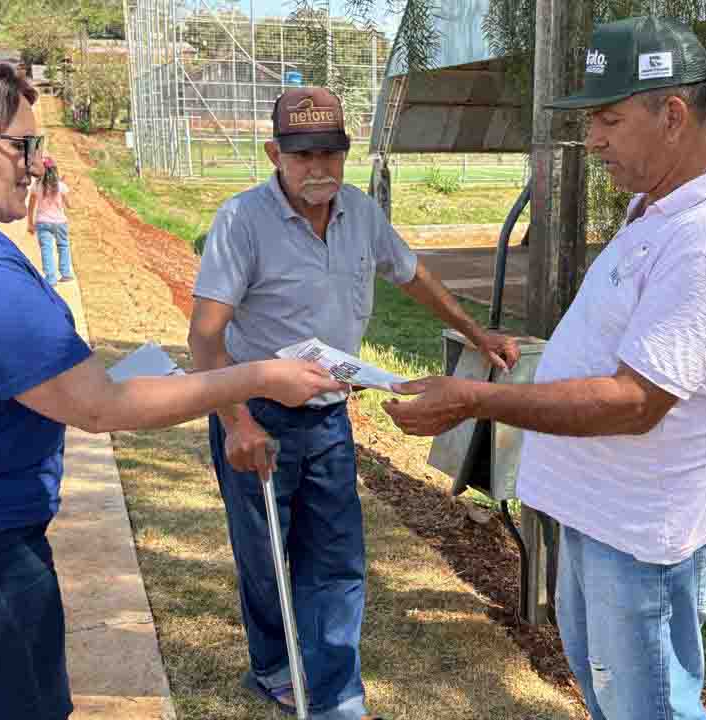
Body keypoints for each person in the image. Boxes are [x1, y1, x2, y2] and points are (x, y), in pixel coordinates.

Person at [0, 51, 344, 720]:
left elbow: (38, 384)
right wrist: (260, 376)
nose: (35, 163)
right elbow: (97, 407)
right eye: (22, 145)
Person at [383, 17, 706, 720]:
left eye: (609, 119)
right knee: (609, 702)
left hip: (644, 536)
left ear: (674, 116)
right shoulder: (656, 207)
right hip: (602, 519)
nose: (593, 139)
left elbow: (634, 401)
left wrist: (475, 398)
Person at [188, 86, 520, 720]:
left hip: (330, 415)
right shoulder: (242, 221)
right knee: (265, 554)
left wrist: (478, 333)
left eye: (331, 154)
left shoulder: (361, 214)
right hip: (255, 413)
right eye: (302, 155)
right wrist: (236, 421)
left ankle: (336, 692)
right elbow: (204, 335)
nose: (319, 170)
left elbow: (413, 274)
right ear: (274, 155)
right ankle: (273, 665)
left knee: (337, 556)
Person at [27, 156, 75, 284]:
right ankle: (66, 273)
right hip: (60, 222)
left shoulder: (36, 186)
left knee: (46, 249)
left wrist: (30, 223)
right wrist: (64, 185)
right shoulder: (60, 186)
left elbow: (31, 206)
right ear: (54, 170)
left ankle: (51, 278)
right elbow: (70, 205)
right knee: (63, 246)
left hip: (42, 222)